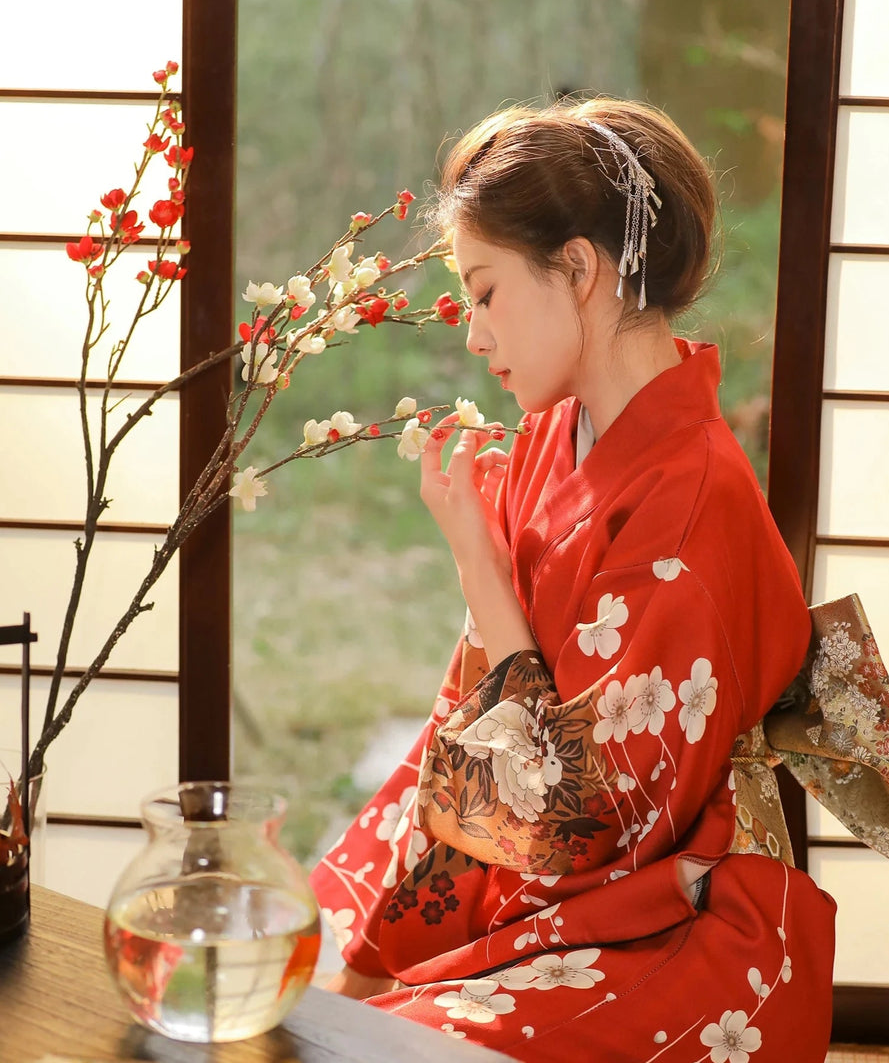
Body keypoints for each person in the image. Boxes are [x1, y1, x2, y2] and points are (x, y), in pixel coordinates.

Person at [311, 97, 838, 1061]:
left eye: (484, 291)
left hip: (663, 915)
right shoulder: (555, 434)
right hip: (542, 886)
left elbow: (587, 824)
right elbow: (472, 724)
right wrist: (374, 946)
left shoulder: (693, 499)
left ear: (580, 269)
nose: (473, 335)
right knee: (328, 1010)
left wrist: (476, 555)